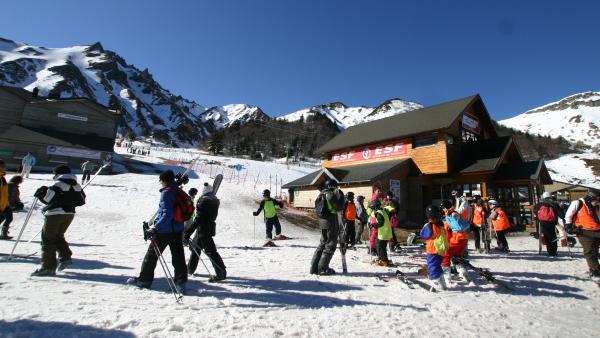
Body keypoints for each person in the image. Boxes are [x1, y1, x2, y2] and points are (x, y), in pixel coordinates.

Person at [127, 170, 187, 292]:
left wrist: (155, 228)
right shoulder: (177, 190)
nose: (160, 183)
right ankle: (180, 284)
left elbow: (166, 214)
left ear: (164, 181)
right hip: (178, 230)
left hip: (164, 231)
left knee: (151, 256)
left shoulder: (167, 193)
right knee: (178, 257)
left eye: (160, 180)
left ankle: (144, 280)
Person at [31, 165, 86, 276]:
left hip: (55, 214)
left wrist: (40, 193)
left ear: (58, 174)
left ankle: (48, 267)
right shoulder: (77, 185)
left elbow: (47, 200)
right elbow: (82, 200)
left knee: (47, 240)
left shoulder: (57, 184)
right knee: (58, 236)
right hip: (70, 214)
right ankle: (65, 258)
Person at [184, 183, 226, 282]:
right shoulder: (214, 200)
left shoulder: (204, 201)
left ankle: (221, 272)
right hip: (208, 227)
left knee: (211, 251)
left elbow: (198, 219)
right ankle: (190, 268)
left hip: (203, 229)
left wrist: (188, 233)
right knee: (195, 249)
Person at [310, 179, 344, 275]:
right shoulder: (330, 194)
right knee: (330, 244)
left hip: (323, 221)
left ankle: (314, 267)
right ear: (332, 186)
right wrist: (341, 197)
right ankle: (323, 268)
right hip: (331, 221)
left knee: (323, 243)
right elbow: (338, 207)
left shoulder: (321, 194)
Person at [564, 191, 600, 280]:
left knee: (595, 250)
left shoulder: (595, 206)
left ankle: (595, 267)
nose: (597, 203)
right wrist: (568, 226)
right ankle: (595, 270)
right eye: (596, 201)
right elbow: (568, 215)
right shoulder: (578, 203)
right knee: (589, 251)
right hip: (583, 231)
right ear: (590, 198)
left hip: (597, 230)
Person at [440, 199, 470, 285]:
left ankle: (447, 277)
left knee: (446, 255)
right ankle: (463, 274)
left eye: (443, 208)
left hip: (457, 237)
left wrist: (452, 227)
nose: (443, 210)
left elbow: (458, 226)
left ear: (445, 208)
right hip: (463, 238)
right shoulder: (452, 214)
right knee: (456, 256)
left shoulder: (452, 214)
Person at [420, 205, 448, 290]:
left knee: (432, 266)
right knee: (438, 266)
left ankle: (436, 282)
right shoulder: (440, 224)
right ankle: (442, 282)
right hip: (441, 250)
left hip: (433, 249)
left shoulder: (429, 225)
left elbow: (423, 234)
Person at [533, 192, 564, 256]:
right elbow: (561, 215)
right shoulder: (554, 204)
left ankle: (549, 250)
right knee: (552, 236)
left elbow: (535, 212)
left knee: (547, 236)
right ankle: (552, 252)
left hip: (542, 222)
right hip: (552, 222)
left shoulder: (539, 204)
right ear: (551, 197)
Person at [369, 199, 393, 266]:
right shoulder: (383, 211)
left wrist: (373, 225)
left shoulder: (379, 213)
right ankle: (380, 258)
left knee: (381, 247)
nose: (373, 210)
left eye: (373, 208)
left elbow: (381, 223)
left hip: (383, 233)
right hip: (384, 232)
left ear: (376, 207)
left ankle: (384, 260)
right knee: (378, 245)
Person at [0, 160, 11, 239]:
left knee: (9, 217)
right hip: (0, 205)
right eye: (3, 166)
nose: (4, 168)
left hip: (4, 204)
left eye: (4, 166)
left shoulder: (2, 178)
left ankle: (4, 234)